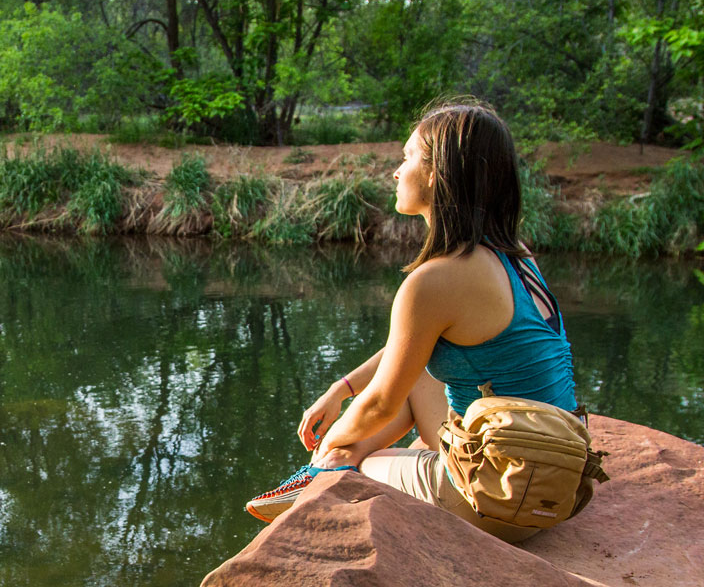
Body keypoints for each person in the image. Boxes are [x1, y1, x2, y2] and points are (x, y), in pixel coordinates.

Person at [244, 98, 583, 542]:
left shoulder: (435, 281)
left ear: (438, 173)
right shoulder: (515, 256)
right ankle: (328, 466)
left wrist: (333, 443)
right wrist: (340, 389)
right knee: (415, 376)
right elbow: (411, 348)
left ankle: (323, 471)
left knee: (355, 463)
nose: (396, 171)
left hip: (499, 499)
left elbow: (381, 405)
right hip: (554, 477)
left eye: (407, 157)